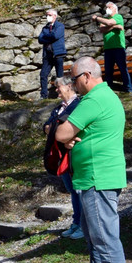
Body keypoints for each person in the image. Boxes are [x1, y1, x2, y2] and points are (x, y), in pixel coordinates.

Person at [56, 57, 131, 263]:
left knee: (105, 239)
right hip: (96, 177)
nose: (73, 84)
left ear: (87, 76)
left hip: (98, 178)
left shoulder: (94, 100)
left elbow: (61, 133)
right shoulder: (105, 97)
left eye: (74, 79)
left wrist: (69, 136)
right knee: (94, 237)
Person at [44, 77, 84, 239]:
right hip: (61, 155)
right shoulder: (58, 109)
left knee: (79, 191)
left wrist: (56, 129)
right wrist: (57, 129)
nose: (56, 90)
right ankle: (77, 222)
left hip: (74, 154)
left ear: (68, 86)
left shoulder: (79, 105)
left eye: (58, 87)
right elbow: (46, 126)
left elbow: (71, 128)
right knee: (73, 191)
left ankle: (83, 225)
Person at [92, 2, 132, 93]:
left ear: (115, 8)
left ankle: (128, 88)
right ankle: (109, 89)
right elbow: (102, 29)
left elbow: (109, 23)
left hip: (118, 47)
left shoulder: (118, 17)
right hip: (108, 48)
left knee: (123, 69)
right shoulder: (105, 19)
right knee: (108, 71)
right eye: (106, 7)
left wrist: (97, 18)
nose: (107, 9)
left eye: (109, 7)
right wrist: (114, 26)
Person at [38, 9, 67, 99]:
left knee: (59, 76)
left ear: (55, 16)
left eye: (50, 15)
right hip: (47, 55)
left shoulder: (60, 26)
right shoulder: (45, 28)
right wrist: (50, 37)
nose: (48, 17)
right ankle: (43, 95)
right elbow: (40, 39)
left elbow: (56, 36)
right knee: (43, 74)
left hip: (58, 54)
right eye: (47, 15)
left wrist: (46, 37)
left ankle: (62, 95)